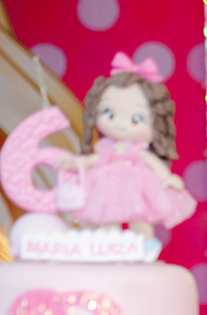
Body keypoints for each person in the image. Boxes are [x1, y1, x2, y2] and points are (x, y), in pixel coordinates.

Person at [60, 52, 196, 237]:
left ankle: (143, 243)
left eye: (136, 119)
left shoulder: (139, 151)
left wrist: (167, 178)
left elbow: (153, 164)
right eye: (109, 114)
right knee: (106, 216)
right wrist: (75, 163)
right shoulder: (106, 148)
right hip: (107, 185)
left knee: (140, 217)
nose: (121, 125)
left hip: (137, 187)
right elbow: (95, 160)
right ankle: (109, 243)